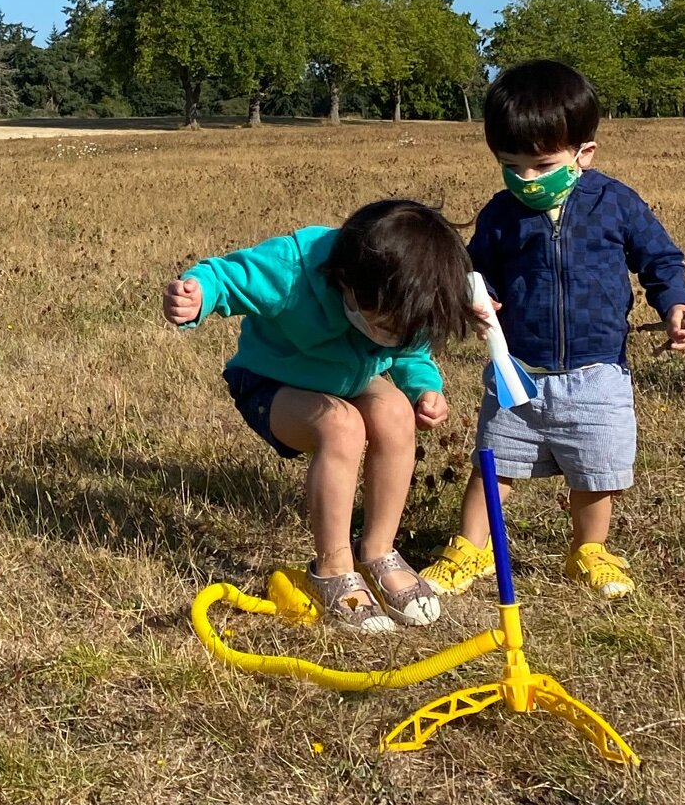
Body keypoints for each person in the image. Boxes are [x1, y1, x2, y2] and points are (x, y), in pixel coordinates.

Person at [423, 59, 685, 605]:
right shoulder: (501, 214)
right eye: (511, 166)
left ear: (583, 155)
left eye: (542, 165)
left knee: (595, 472)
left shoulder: (615, 203)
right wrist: (475, 298)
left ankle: (589, 550)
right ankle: (471, 548)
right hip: (516, 367)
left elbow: (660, 259)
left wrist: (675, 302)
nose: (526, 179)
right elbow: (474, 273)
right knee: (492, 465)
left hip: (597, 373)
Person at [163, 199, 477, 633]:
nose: (390, 335)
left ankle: (379, 551)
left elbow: (412, 351)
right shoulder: (293, 266)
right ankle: (332, 568)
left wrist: (426, 388)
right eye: (383, 325)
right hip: (270, 381)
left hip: (352, 377)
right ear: (347, 282)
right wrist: (197, 295)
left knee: (396, 415)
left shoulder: (408, 296)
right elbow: (225, 277)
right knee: (342, 426)